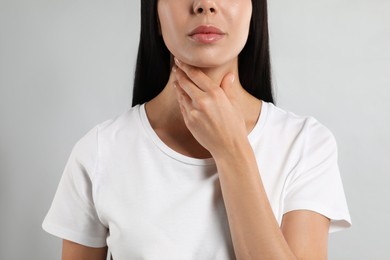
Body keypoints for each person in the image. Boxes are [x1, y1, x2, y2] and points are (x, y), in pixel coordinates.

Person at [42, 0, 351, 259]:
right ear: (155, 13)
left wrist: (231, 151)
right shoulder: (98, 152)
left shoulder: (305, 144)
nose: (204, 4)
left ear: (254, 10)